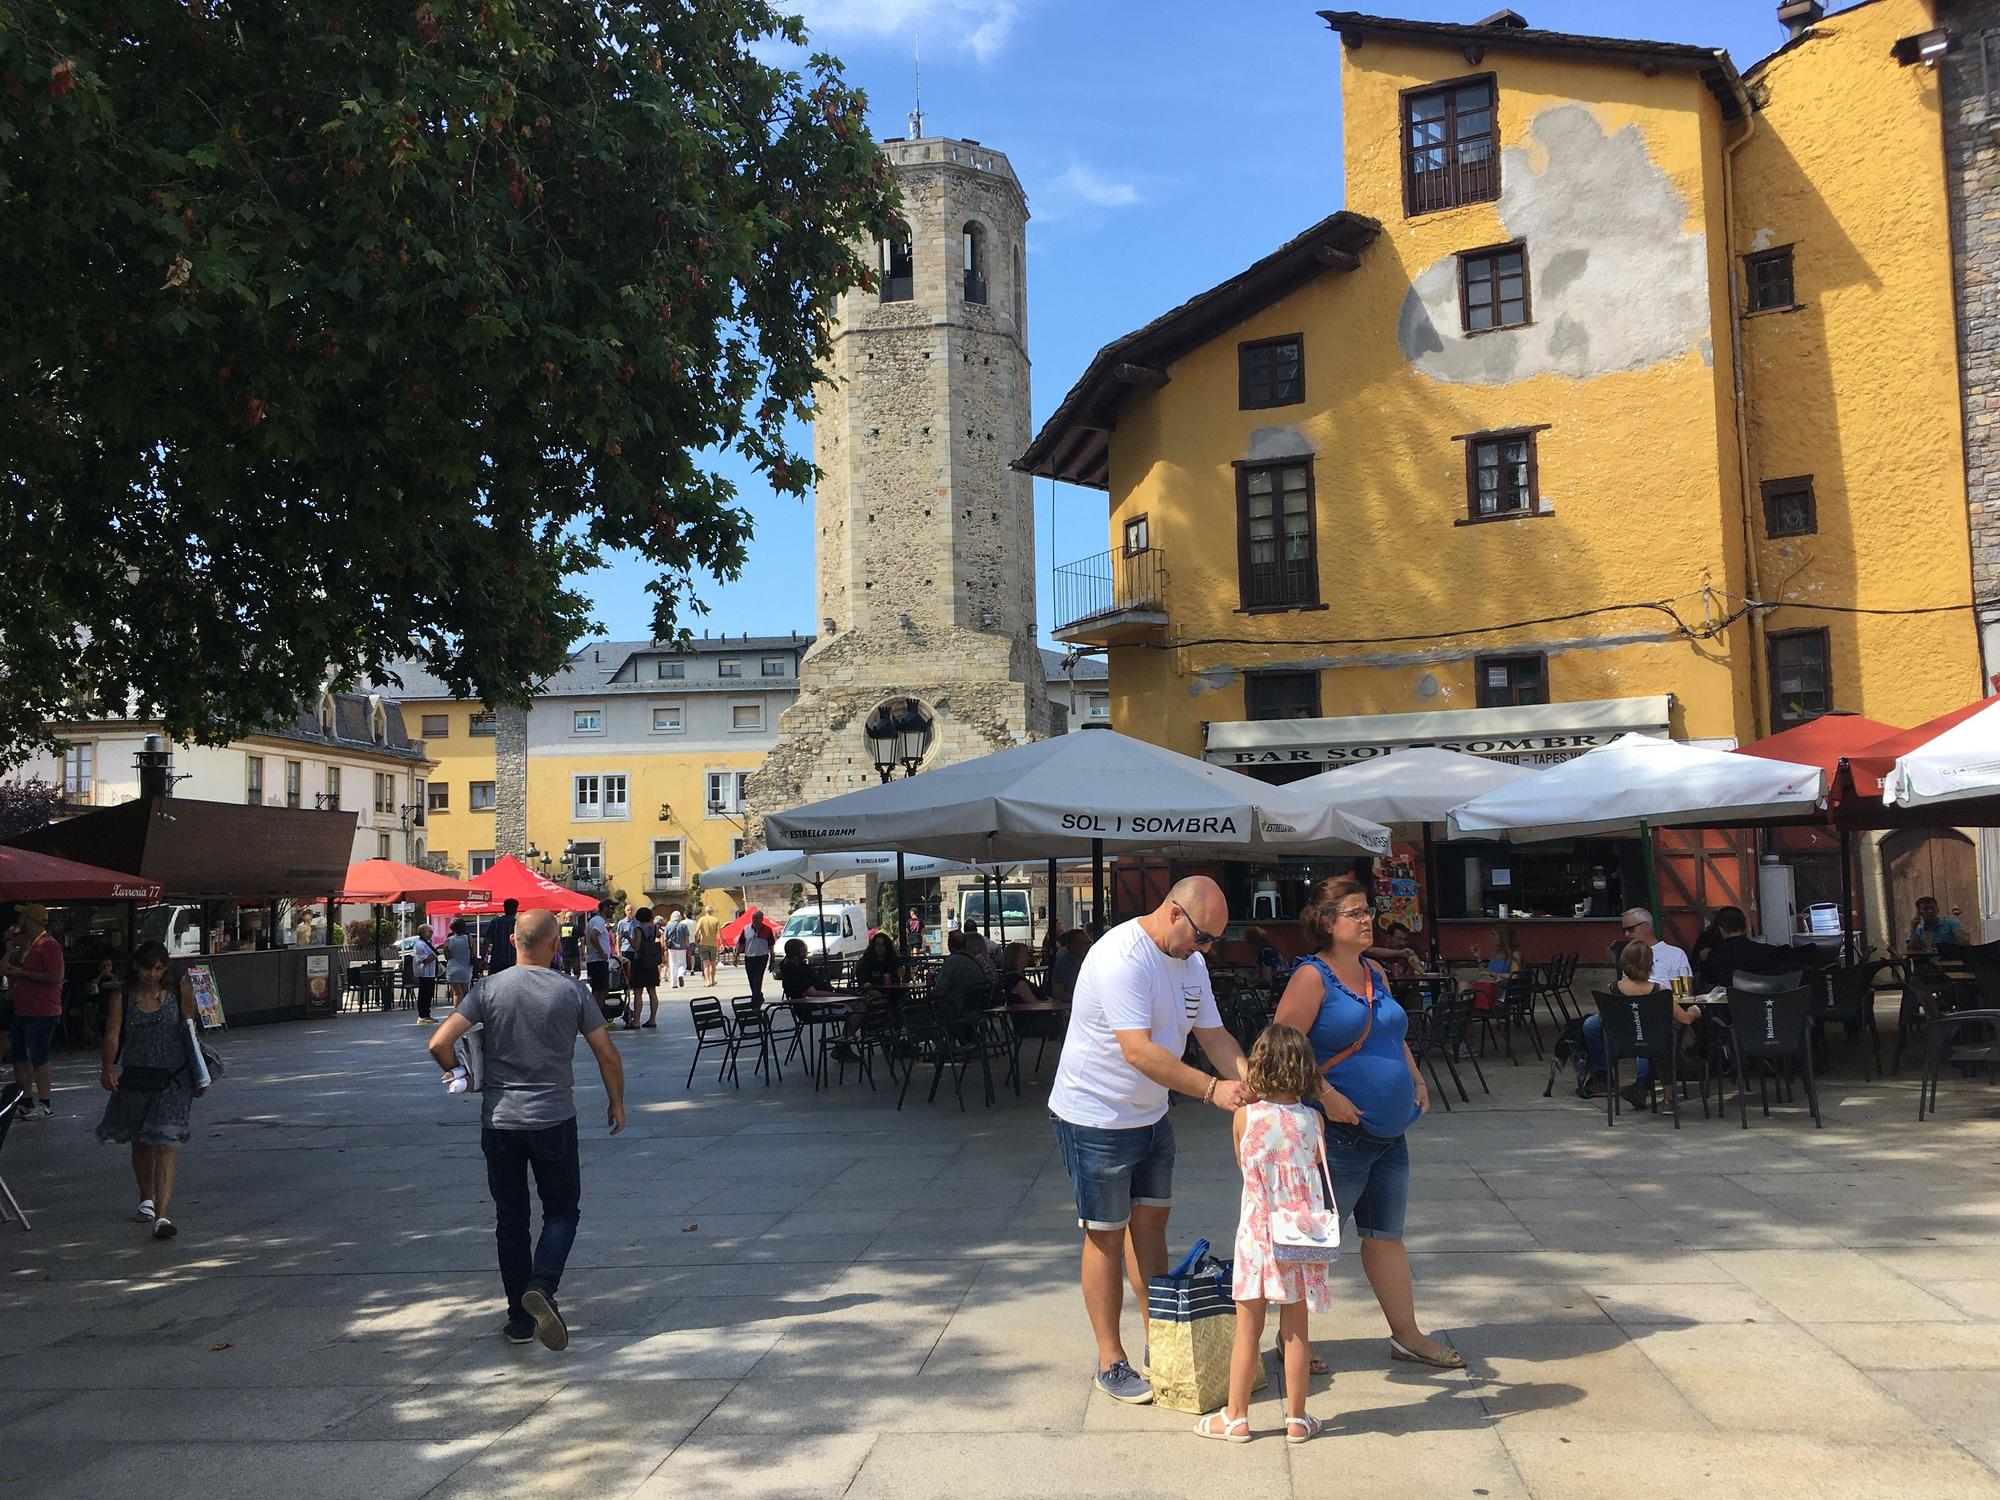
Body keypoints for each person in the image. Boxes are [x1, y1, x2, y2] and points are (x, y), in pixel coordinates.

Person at [1047, 876, 1254, 1406]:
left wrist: (1250, 1089)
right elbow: (1138, 1051)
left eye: (1213, 942)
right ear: (1175, 913)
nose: (1206, 949)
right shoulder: (1122, 956)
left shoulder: (1192, 963)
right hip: (1095, 1116)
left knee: (1152, 1225)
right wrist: (1213, 1090)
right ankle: (1109, 1359)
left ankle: (1160, 1339)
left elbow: (1213, 1035)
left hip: (1151, 1115)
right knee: (1106, 1236)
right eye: (1204, 937)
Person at [1273, 874, 1460, 1371]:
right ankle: (1291, 1340)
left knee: (1385, 1236)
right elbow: (1282, 1049)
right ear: (1326, 923)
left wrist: (1417, 1080)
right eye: (1355, 913)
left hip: (1388, 1134)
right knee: (1313, 1242)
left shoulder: (1374, 972)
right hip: (1338, 1134)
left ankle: (1407, 1335)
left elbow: (1390, 1034)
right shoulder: (1312, 977)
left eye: (1367, 911)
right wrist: (1327, 1095)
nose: (1367, 920)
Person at [428, 910, 625, 1351]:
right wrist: (616, 1102)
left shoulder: (488, 988)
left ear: (514, 941)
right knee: (562, 1211)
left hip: (499, 1121)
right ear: (555, 944)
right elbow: (606, 1054)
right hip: (553, 1117)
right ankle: (542, 1284)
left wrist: (461, 1073)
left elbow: (438, 1042)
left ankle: (519, 1321)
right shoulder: (571, 990)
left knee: (511, 1220)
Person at [1194, 1023, 1331, 1446]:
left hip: (1256, 1235)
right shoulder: (1313, 1121)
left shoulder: (1245, 1117)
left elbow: (1246, 1170)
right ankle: (1296, 1418)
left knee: (1247, 1328)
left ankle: (1235, 1417)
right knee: (1295, 1330)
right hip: (1298, 1236)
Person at [94, 942, 204, 1238]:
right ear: (136, 967)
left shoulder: (180, 993)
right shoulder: (122, 997)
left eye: (158, 968)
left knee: (166, 1141)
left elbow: (189, 1034)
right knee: (142, 1142)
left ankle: (163, 1216)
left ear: (166, 967)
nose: (152, 974)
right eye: (146, 968)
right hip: (138, 1077)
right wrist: (107, 1068)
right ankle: (146, 1198)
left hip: (174, 1077)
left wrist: (200, 1074)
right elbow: (113, 1036)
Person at [1582, 937, 1704, 1109]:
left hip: (1623, 1044)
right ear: (1650, 964)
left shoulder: (1611, 989)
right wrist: (1694, 1012)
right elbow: (1683, 1018)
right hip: (1656, 1045)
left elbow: (1603, 1019)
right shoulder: (1659, 991)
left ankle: (1613, 1080)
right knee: (1667, 1039)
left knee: (1643, 1036)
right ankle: (1669, 1099)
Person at [3, 905, 65, 1120]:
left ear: (30, 919)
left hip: (42, 1010)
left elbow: (56, 976)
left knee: (39, 1056)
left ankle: (45, 1103)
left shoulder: (48, 945)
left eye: (22, 915)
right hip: (23, 1008)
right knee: (19, 1055)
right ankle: (26, 1101)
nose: (18, 918)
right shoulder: (29, 944)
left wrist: (23, 973)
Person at [1696, 905, 1808, 991]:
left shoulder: (1714, 955)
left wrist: (1708, 957)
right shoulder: (1765, 952)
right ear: (1746, 928)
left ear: (1721, 930)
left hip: (1733, 1011)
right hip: (1768, 1007)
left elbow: (1708, 979)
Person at [929, 929, 990, 1023]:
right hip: (977, 1009)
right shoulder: (975, 960)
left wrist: (930, 986)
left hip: (956, 1009)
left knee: (917, 1009)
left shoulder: (952, 962)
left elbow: (939, 991)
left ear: (950, 945)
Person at [1621, 907, 1692, 987]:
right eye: (1624, 930)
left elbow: (1685, 987)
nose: (1626, 934)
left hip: (1667, 997)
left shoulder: (1676, 953)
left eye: (1630, 929)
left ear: (1646, 926)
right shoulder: (1630, 953)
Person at [627, 908, 663, 1029]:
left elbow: (636, 946)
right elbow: (658, 935)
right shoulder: (654, 928)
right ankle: (652, 1019)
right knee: (652, 991)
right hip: (651, 961)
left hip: (640, 961)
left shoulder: (639, 929)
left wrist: (628, 938)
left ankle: (636, 1021)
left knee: (638, 992)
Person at [583, 900, 617, 1020]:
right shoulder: (599, 921)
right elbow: (593, 936)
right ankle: (598, 1019)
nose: (614, 911)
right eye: (612, 908)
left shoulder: (593, 921)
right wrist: (601, 952)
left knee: (597, 990)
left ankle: (594, 1017)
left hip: (593, 960)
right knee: (601, 991)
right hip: (598, 961)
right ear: (604, 908)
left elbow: (586, 938)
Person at [1049, 928, 1091, 1004]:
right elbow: (1058, 993)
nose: (1086, 947)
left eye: (1088, 943)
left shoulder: (1092, 961)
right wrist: (1082, 998)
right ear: (1071, 945)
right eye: (1081, 944)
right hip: (1071, 1006)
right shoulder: (1063, 965)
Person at [742, 909, 776, 1002]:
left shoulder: (767, 930)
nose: (754, 920)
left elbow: (771, 946)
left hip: (762, 957)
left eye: (756, 918)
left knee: (758, 978)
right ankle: (758, 995)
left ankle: (755, 1000)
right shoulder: (746, 929)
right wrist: (736, 956)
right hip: (749, 957)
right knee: (751, 979)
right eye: (753, 918)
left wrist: (772, 960)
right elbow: (740, 943)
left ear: (761, 919)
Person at [443, 919, 477, 1010]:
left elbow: (447, 956)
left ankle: (457, 1012)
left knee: (456, 992)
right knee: (464, 990)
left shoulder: (448, 940)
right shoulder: (469, 939)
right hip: (466, 968)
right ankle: (464, 1012)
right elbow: (474, 952)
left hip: (452, 968)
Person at [482, 898, 521, 976]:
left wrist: (483, 959)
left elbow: (487, 941)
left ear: (504, 908)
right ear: (516, 909)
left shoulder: (495, 922)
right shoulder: (518, 924)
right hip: (512, 961)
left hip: (496, 961)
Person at [410, 926, 439, 1023]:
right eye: (429, 931)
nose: (432, 933)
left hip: (430, 973)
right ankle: (422, 1015)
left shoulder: (427, 943)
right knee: (424, 994)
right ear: (423, 932)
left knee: (429, 994)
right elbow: (425, 960)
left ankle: (427, 1014)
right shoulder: (420, 945)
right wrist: (434, 956)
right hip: (424, 973)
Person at [1248, 925, 1289, 990]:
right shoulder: (1272, 950)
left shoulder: (1265, 953)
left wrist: (1251, 979)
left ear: (1254, 943)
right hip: (1282, 987)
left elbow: (1267, 978)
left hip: (1271, 991)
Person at [695, 905, 722, 984]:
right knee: (713, 963)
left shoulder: (701, 919)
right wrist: (721, 944)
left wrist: (697, 942)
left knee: (706, 963)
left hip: (703, 944)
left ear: (705, 911)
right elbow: (719, 933)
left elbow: (696, 932)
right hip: (713, 944)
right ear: (712, 911)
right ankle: (713, 980)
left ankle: (707, 981)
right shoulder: (716, 920)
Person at [664, 909, 689, 989]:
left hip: (671, 948)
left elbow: (665, 938)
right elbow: (687, 937)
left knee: (673, 964)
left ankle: (673, 983)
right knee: (682, 964)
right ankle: (680, 974)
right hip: (681, 947)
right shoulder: (683, 925)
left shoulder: (668, 926)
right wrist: (687, 946)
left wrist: (665, 947)